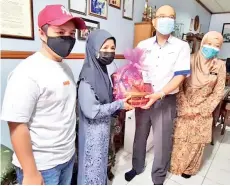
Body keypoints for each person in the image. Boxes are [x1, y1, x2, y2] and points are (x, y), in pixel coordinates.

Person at [1, 5, 86, 185]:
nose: (67, 38)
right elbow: (16, 125)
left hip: (67, 157)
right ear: (42, 33)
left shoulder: (65, 68)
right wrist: (31, 172)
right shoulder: (27, 72)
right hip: (41, 166)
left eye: (71, 34)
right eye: (60, 31)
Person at [124, 5, 191, 185]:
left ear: (174, 22)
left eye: (170, 16)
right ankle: (137, 167)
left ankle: (158, 177)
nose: (166, 19)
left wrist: (160, 93)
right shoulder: (142, 45)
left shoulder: (182, 47)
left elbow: (180, 76)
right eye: (162, 16)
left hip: (166, 99)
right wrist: (131, 88)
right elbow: (134, 71)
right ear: (154, 21)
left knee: (162, 141)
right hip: (144, 97)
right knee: (140, 135)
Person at [77, 29, 133, 185]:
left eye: (113, 48)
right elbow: (92, 111)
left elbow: (106, 99)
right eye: (105, 47)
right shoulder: (87, 78)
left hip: (103, 131)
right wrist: (119, 104)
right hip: (92, 135)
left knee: (100, 166)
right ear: (93, 48)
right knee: (91, 169)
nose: (109, 52)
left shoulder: (102, 72)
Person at [169, 31, 226, 178]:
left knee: (196, 143)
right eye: (209, 44)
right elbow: (178, 85)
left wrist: (201, 109)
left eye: (217, 45)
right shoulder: (188, 60)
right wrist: (186, 106)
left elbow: (218, 92)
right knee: (180, 140)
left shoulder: (219, 66)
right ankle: (176, 166)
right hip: (185, 107)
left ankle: (189, 169)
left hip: (203, 111)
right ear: (202, 43)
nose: (212, 48)